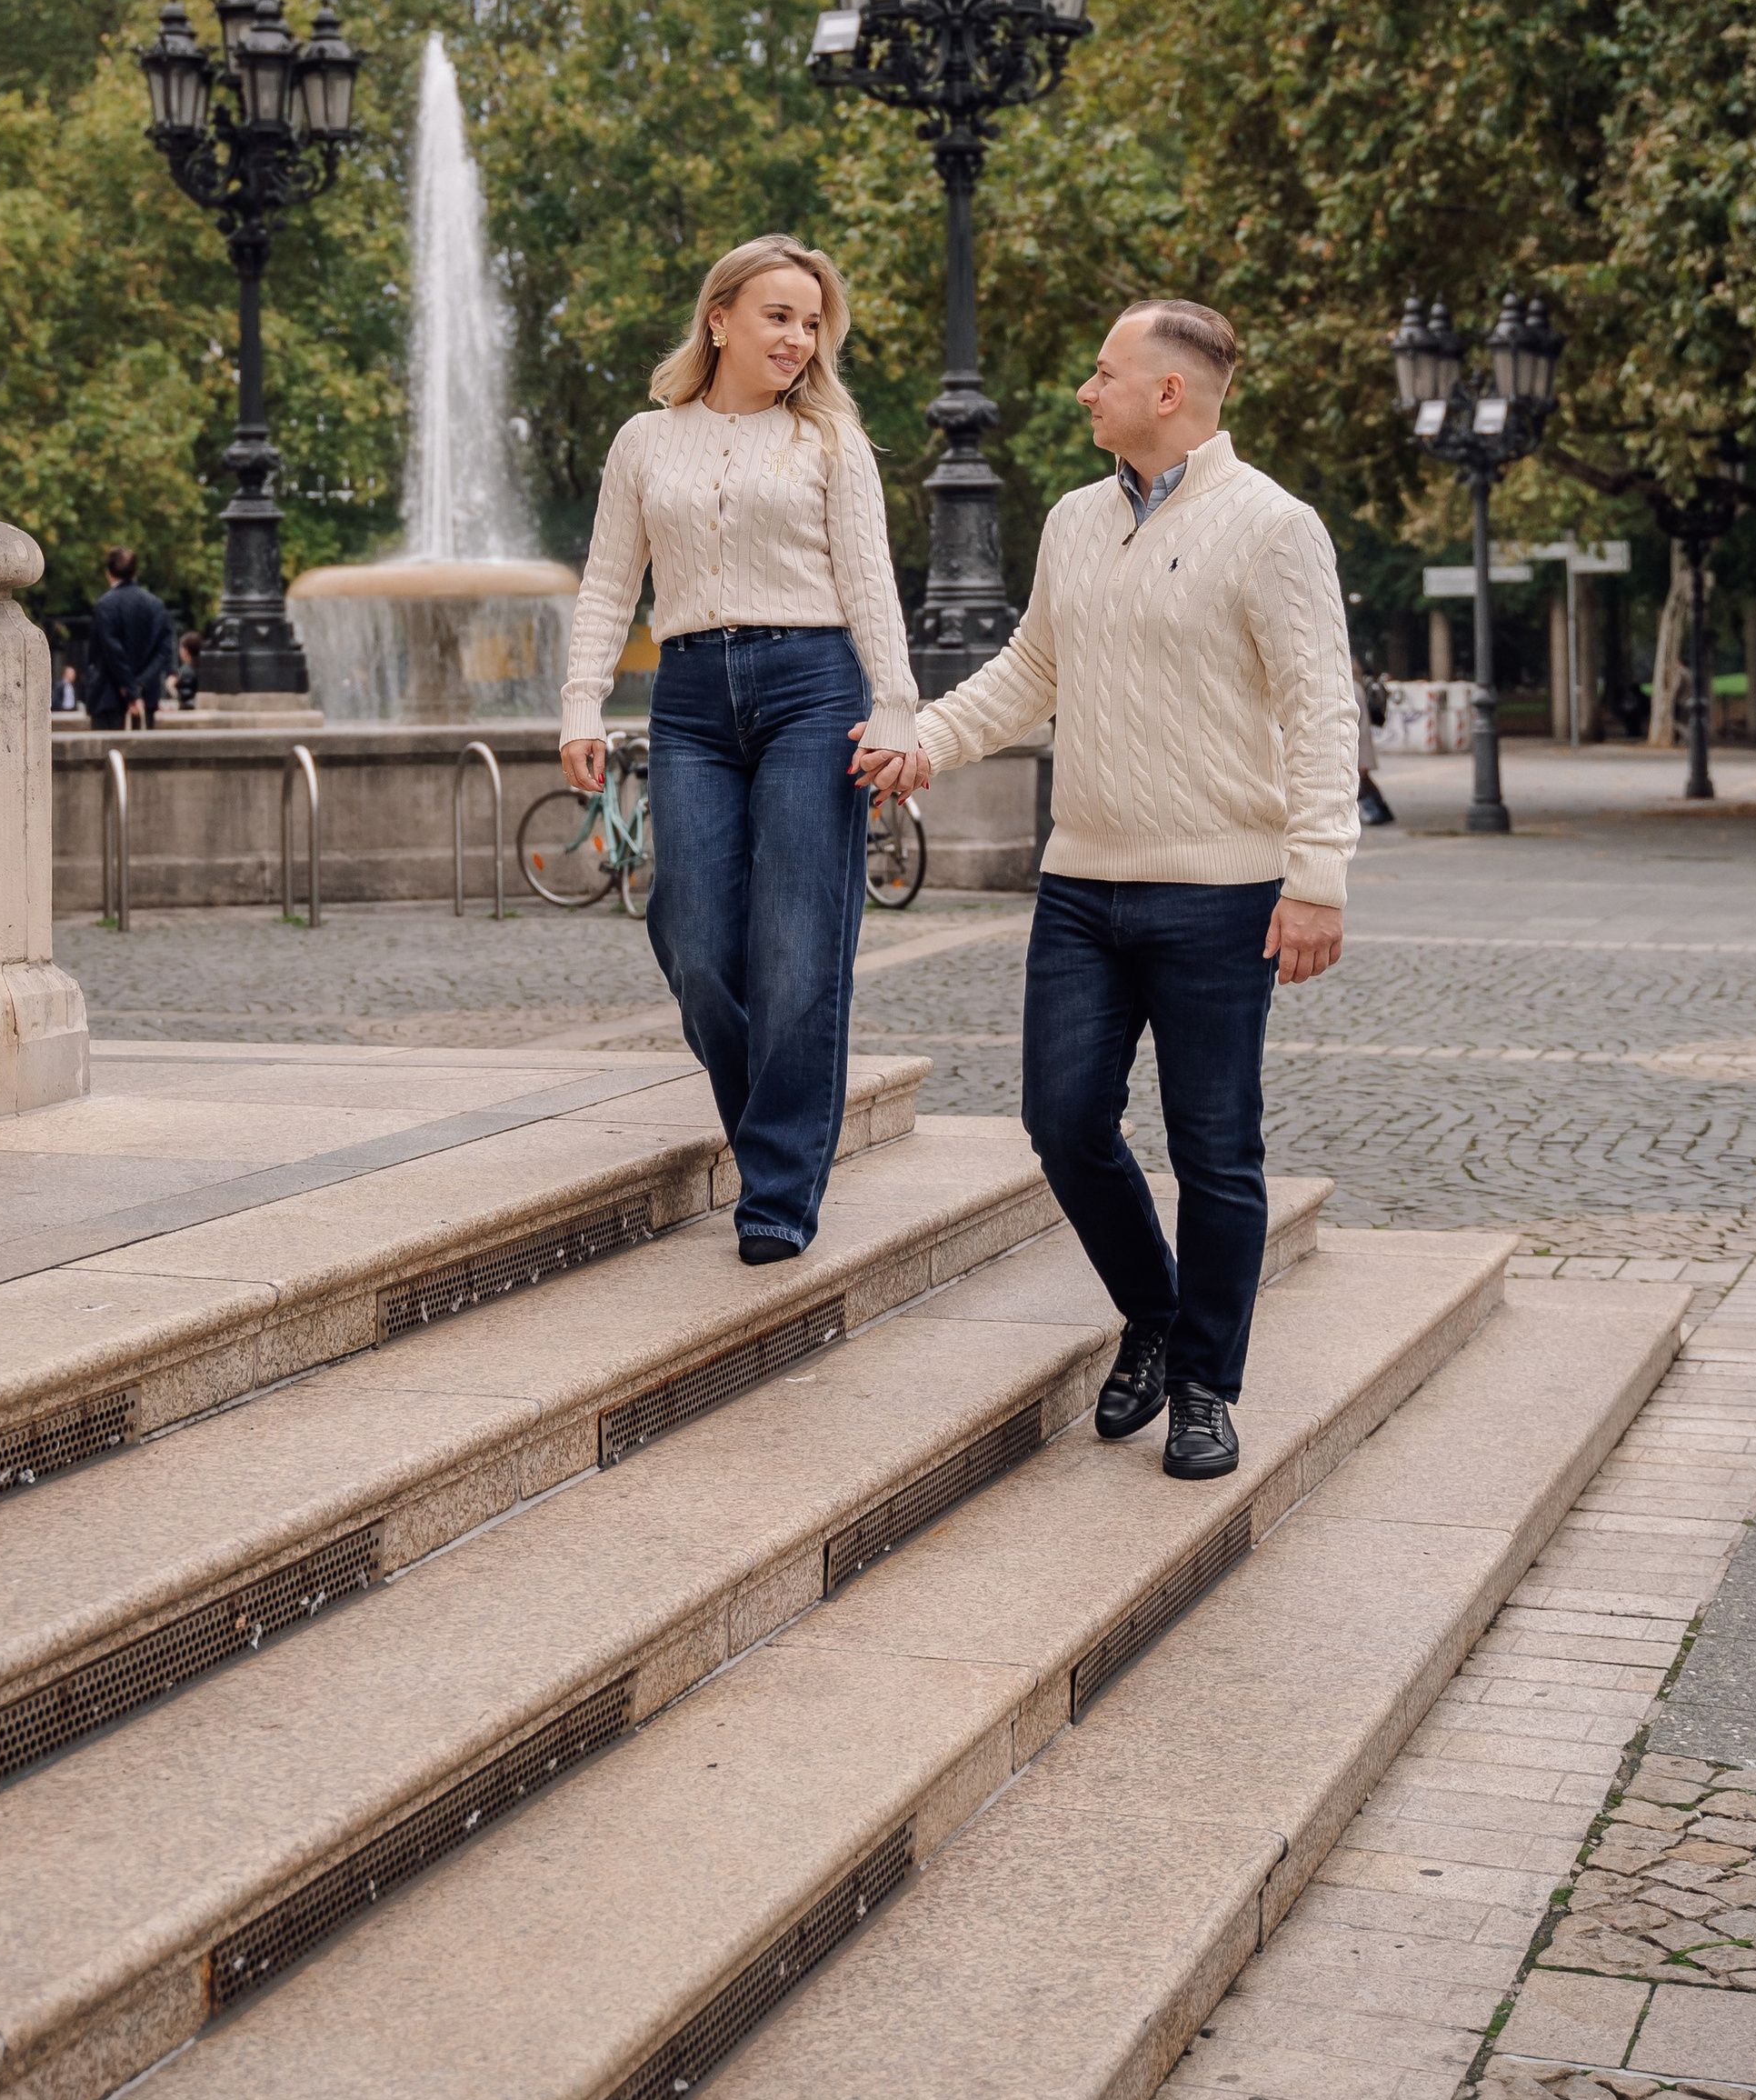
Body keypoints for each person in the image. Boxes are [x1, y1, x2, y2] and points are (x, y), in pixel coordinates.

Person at [909, 300, 1357, 1483]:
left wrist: (1317, 879)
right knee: (1062, 1123)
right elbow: (1027, 675)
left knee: (1216, 1150)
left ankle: (1207, 1383)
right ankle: (1151, 1312)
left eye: (1102, 373)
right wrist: (921, 739)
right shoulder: (1071, 522)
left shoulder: (1273, 528)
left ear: (1169, 394)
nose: (1082, 391)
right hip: (1083, 889)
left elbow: (1321, 707)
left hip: (1222, 893)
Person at [557, 235, 923, 1265]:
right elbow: (604, 583)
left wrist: (895, 705)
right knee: (697, 942)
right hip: (689, 700)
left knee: (799, 947)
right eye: (779, 316)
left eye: (812, 323)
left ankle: (776, 1184)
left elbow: (868, 582)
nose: (799, 339)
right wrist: (581, 703)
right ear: (719, 318)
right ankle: (776, 1129)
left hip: (814, 690)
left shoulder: (832, 442)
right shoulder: (644, 441)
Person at [85, 547, 175, 733]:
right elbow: (163, 651)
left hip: (108, 696)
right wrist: (139, 685)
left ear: (109, 573)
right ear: (135, 572)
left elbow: (112, 650)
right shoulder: (156, 606)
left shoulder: (105, 605)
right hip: (146, 698)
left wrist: (129, 689)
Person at [1356, 659, 1394, 825]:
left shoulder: (1350, 688)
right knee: (1364, 779)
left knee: (1360, 781)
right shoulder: (1356, 686)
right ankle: (1382, 809)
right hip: (1361, 739)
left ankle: (1376, 811)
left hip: (1357, 742)